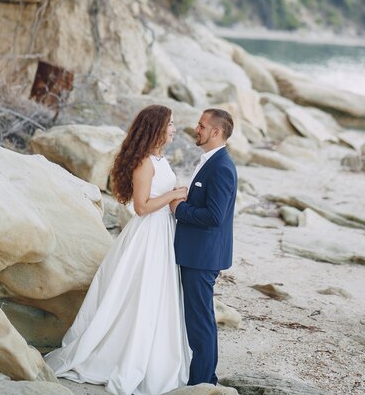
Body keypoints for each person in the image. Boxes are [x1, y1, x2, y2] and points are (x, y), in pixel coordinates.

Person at [45, 105, 191, 395]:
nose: (175, 129)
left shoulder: (160, 159)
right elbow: (141, 207)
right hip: (147, 235)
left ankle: (154, 355)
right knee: (137, 292)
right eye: (171, 124)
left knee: (157, 294)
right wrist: (174, 194)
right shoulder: (144, 162)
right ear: (156, 127)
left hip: (163, 232)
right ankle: (118, 356)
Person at [170, 108, 238, 386]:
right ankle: (201, 376)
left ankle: (203, 381)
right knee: (197, 318)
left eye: (201, 125)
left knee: (200, 321)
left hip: (202, 257)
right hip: (197, 253)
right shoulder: (211, 161)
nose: (196, 129)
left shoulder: (221, 166)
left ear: (216, 131)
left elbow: (214, 216)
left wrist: (180, 209)